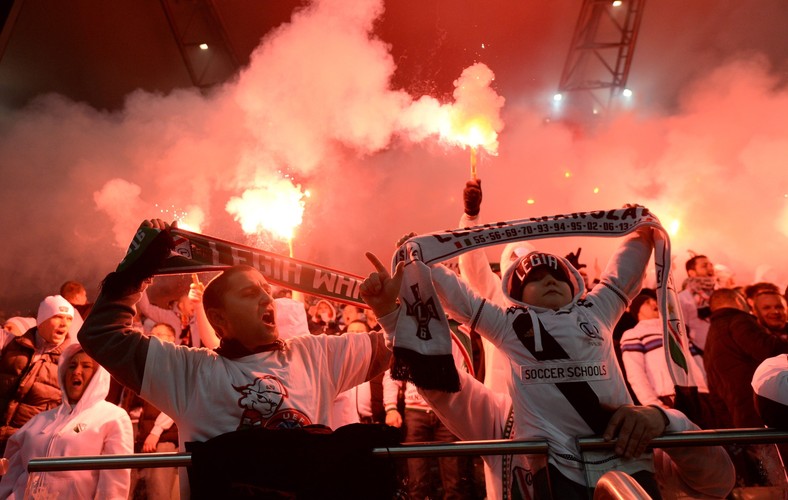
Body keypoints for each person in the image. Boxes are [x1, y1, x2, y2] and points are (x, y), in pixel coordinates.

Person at [78, 218, 392, 498]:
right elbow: (101, 334)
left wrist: (390, 310)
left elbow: (398, 344)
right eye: (248, 293)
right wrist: (135, 273)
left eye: (266, 290)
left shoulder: (312, 354)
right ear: (220, 319)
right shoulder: (190, 373)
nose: (266, 297)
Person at [367, 221, 672, 497]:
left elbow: (620, 277)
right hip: (554, 475)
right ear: (515, 297)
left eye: (557, 276)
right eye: (535, 279)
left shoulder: (599, 315)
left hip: (625, 460)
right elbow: (463, 306)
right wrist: (421, 265)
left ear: (575, 286)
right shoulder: (501, 403)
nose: (549, 282)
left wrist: (641, 229)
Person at [0, 344, 133, 499]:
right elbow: (12, 471)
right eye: (71, 366)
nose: (76, 371)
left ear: (98, 375)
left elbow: (114, 485)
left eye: (86, 366)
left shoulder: (113, 418)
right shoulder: (41, 419)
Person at [703, 288, 788, 487]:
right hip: (765, 415)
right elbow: (767, 349)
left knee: (773, 478)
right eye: (766, 307)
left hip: (743, 420)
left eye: (778, 306)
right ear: (739, 300)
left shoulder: (713, 334)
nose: (774, 311)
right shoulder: (739, 321)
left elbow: (714, 388)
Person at [0, 295, 75, 454]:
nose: (64, 323)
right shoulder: (11, 344)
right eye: (58, 317)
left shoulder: (70, 360)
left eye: (69, 319)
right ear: (41, 320)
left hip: (28, 445)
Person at [620, 292, 708, 409]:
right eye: (647, 302)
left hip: (700, 394)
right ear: (637, 310)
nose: (653, 303)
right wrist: (653, 403)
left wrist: (708, 387)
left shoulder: (676, 330)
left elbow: (697, 361)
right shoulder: (633, 334)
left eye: (654, 301)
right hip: (670, 396)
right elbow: (635, 373)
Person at [677, 254, 716, 350]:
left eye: (711, 265)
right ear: (692, 273)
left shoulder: (720, 293)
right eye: (704, 266)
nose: (710, 268)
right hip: (701, 351)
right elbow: (681, 330)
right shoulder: (682, 298)